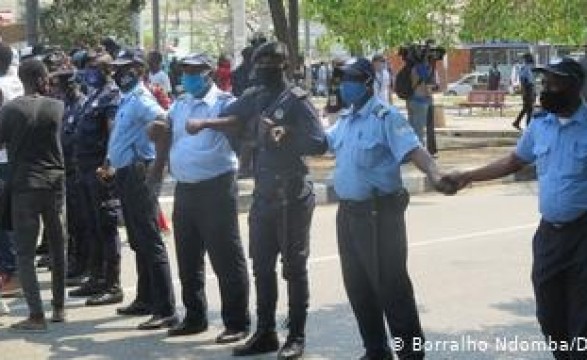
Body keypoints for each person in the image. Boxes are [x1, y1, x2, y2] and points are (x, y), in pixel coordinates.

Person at [185, 41, 326, 359]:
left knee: (294, 268)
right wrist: (244, 132)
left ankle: (297, 336)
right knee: (261, 266)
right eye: (258, 64)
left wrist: (284, 133)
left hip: (292, 194)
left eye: (269, 64)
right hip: (264, 195)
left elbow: (319, 143)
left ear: (284, 67)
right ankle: (265, 333)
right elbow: (228, 118)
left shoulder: (297, 100)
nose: (262, 70)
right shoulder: (255, 96)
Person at [446, 58, 586, 360]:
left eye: (554, 83)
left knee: (582, 325)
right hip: (549, 235)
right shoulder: (539, 124)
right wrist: (468, 176)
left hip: (583, 236)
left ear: (575, 87)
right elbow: (513, 162)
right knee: (550, 317)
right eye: (544, 83)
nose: (546, 89)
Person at [325, 57, 455, 360]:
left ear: (368, 83)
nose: (345, 85)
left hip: (378, 214)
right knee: (357, 286)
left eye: (352, 79)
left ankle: (410, 354)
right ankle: (376, 350)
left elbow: (413, 149)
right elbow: (322, 143)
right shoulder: (346, 119)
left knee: (391, 287)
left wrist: (435, 174)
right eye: (342, 79)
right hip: (349, 214)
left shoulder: (386, 117)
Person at [148, 53, 250, 343]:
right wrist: (155, 149)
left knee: (226, 258)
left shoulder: (224, 101)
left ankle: (237, 322)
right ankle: (194, 317)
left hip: (216, 186)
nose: (187, 77)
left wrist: (207, 123)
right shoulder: (181, 103)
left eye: (194, 72)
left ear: (208, 74)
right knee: (188, 258)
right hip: (186, 188)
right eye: (184, 72)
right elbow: (164, 133)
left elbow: (239, 125)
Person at [100, 48, 177, 330]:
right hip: (124, 172)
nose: (119, 74)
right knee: (136, 239)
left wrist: (157, 165)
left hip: (138, 172)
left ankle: (166, 308)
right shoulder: (127, 99)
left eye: (125, 69)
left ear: (139, 70)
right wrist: (110, 162)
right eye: (116, 70)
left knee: (149, 239)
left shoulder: (143, 100)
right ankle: (146, 299)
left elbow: (166, 123)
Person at [0, 58, 67, 331]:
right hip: (55, 184)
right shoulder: (58, 107)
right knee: (58, 246)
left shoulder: (10, 110)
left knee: (25, 253)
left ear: (21, 78)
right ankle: (59, 309)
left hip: (24, 186)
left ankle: (36, 315)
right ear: (42, 78)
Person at [69, 52, 124, 306]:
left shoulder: (111, 95)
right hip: (84, 168)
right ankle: (96, 277)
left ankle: (112, 284)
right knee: (91, 224)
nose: (89, 72)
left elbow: (113, 131)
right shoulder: (93, 94)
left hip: (99, 169)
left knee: (106, 224)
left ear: (106, 70)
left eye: (94, 68)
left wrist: (108, 163)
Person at [0, 42, 23, 299]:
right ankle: (13, 271)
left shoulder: (2, 87)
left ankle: (11, 272)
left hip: (3, 158)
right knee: (12, 217)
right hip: (15, 157)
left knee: (3, 221)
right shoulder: (16, 82)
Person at [406, 49, 433, 145]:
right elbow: (426, 86)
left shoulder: (412, 68)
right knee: (419, 130)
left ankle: (410, 150)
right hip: (421, 101)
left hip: (411, 100)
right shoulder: (423, 69)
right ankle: (420, 152)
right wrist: (429, 97)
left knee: (412, 128)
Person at [512, 53, 536, 130]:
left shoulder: (527, 68)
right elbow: (525, 80)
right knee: (529, 108)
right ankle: (526, 125)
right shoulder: (525, 68)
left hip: (529, 89)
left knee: (527, 108)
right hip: (528, 89)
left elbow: (530, 80)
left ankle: (518, 122)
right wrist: (526, 91)